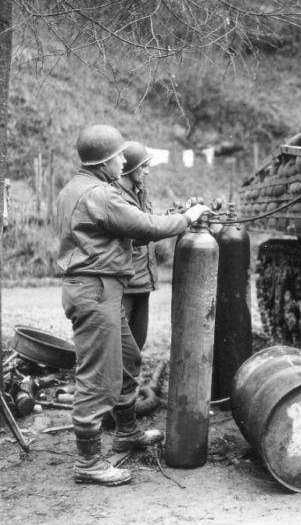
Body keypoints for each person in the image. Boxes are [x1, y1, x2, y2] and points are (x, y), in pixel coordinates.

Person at [56, 124, 210, 486]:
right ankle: (88, 461)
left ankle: (126, 431)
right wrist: (188, 218)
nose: (124, 162)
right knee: (97, 375)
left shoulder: (74, 188)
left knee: (128, 358)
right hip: (95, 291)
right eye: (119, 157)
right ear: (104, 161)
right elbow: (146, 227)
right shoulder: (100, 194)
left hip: (100, 289)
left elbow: (123, 229)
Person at [114, 141, 157, 351]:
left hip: (143, 282)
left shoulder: (141, 192)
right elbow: (144, 230)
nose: (147, 171)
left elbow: (150, 222)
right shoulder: (116, 197)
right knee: (120, 347)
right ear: (129, 167)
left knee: (138, 343)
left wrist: (172, 216)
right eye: (143, 166)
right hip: (125, 284)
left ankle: (131, 375)